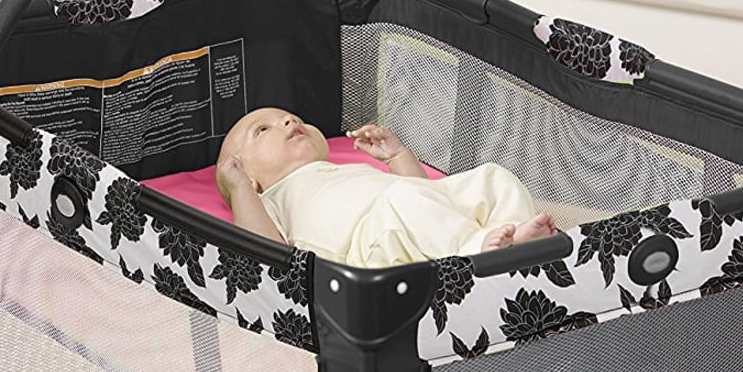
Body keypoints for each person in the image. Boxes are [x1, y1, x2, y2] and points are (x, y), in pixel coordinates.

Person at [215, 108, 557, 265]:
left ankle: (517, 239)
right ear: (248, 176)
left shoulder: (345, 170)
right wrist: (240, 189)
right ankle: (478, 253)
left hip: (412, 221)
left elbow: (424, 194)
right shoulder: (268, 200)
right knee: (403, 199)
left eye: (293, 117)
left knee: (491, 177)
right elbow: (263, 252)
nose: (289, 120)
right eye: (263, 130)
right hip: (367, 249)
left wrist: (397, 156)